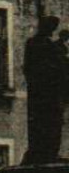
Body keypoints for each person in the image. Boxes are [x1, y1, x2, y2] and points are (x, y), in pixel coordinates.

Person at [25, 15, 64, 163]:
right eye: (51, 28)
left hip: (47, 93)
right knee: (47, 123)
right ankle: (45, 153)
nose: (52, 31)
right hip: (44, 93)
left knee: (52, 123)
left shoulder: (45, 45)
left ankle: (49, 153)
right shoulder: (41, 45)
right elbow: (31, 68)